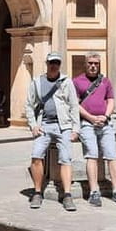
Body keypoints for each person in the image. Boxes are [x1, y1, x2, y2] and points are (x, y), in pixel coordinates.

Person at [25, 52, 80, 211]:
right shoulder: (37, 82)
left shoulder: (66, 81)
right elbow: (29, 104)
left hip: (63, 125)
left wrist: (75, 129)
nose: (54, 65)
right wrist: (33, 125)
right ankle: (37, 192)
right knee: (36, 155)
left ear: (60, 64)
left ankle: (67, 195)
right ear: (47, 63)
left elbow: (74, 105)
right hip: (44, 125)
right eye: (51, 62)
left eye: (57, 62)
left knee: (66, 158)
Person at [73, 53, 116, 207]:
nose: (93, 66)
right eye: (90, 63)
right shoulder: (77, 81)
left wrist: (105, 116)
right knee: (91, 155)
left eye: (96, 63)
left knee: (112, 156)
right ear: (85, 64)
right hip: (87, 123)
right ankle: (94, 191)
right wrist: (90, 117)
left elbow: (110, 100)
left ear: (99, 64)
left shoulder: (105, 81)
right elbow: (74, 104)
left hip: (105, 123)